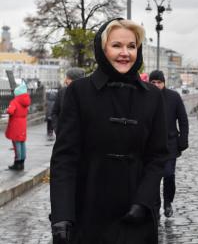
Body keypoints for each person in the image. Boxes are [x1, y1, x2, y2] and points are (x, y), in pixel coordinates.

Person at [50, 18, 169, 244]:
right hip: (88, 210)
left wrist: (143, 202)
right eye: (117, 46)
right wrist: (62, 216)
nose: (125, 53)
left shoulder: (152, 96)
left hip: (136, 215)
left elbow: (158, 155)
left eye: (131, 46)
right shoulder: (78, 92)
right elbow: (65, 158)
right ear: (102, 48)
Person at [149, 70, 189, 218]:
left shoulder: (174, 97)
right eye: (153, 82)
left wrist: (183, 140)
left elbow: (183, 120)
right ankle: (156, 206)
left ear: (164, 83)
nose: (156, 85)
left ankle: (168, 202)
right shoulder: (145, 96)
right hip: (150, 145)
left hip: (170, 143)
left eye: (159, 82)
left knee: (168, 174)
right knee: (153, 177)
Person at [5, 82, 31, 171]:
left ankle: (17, 163)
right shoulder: (26, 102)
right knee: (22, 143)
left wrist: (7, 110)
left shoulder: (15, 101)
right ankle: (22, 163)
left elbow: (11, 111)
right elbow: (27, 111)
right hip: (23, 123)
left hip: (15, 124)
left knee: (16, 144)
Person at [51, 67, 85, 134]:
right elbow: (54, 113)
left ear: (76, 80)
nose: (65, 81)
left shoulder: (87, 93)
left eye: (68, 78)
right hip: (64, 136)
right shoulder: (62, 92)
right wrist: (58, 130)